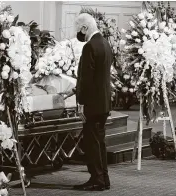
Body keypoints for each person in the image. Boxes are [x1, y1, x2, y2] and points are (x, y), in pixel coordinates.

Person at [61, 13, 113, 191]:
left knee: (92, 143)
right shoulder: (105, 44)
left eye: (78, 30)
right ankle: (103, 178)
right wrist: (75, 89)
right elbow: (98, 77)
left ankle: (96, 179)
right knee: (100, 142)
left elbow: (87, 79)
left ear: (84, 28)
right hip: (103, 102)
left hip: (92, 104)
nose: (79, 34)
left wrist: (80, 103)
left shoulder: (90, 46)